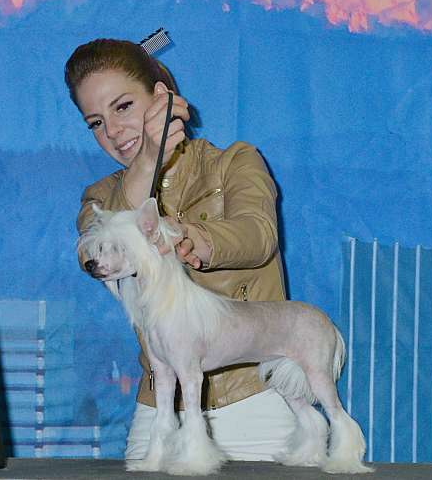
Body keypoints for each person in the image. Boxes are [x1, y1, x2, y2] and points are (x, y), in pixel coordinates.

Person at [65, 38, 295, 461]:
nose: (112, 132)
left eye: (123, 107)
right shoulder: (102, 198)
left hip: (257, 403)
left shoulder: (236, 163)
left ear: (161, 98)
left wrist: (191, 237)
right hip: (162, 412)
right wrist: (148, 159)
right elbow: (90, 256)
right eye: (95, 122)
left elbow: (258, 236)